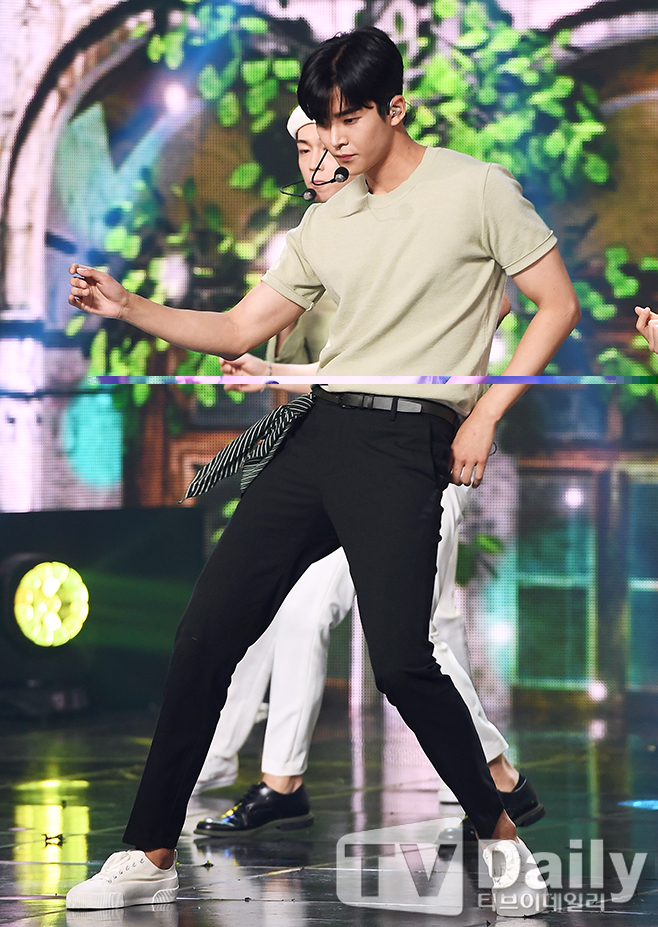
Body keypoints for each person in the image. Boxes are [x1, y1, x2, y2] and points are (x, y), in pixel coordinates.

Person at [65, 27, 580, 917]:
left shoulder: (477, 189)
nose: (334, 140)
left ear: (395, 109)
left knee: (404, 664)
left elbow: (556, 304)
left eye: (349, 121)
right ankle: (147, 850)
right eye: (323, 123)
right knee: (203, 634)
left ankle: (501, 837)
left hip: (407, 444)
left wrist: (485, 414)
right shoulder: (326, 221)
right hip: (320, 434)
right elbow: (239, 327)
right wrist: (130, 305)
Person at [192, 108, 541, 841]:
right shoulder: (316, 240)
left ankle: (497, 780)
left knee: (418, 645)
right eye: (305, 146)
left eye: (332, 139)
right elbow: (324, 373)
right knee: (306, 616)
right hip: (336, 462)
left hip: (415, 460)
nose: (319, 158)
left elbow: (482, 317)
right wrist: (271, 361)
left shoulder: (430, 220)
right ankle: (280, 779)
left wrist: (478, 408)